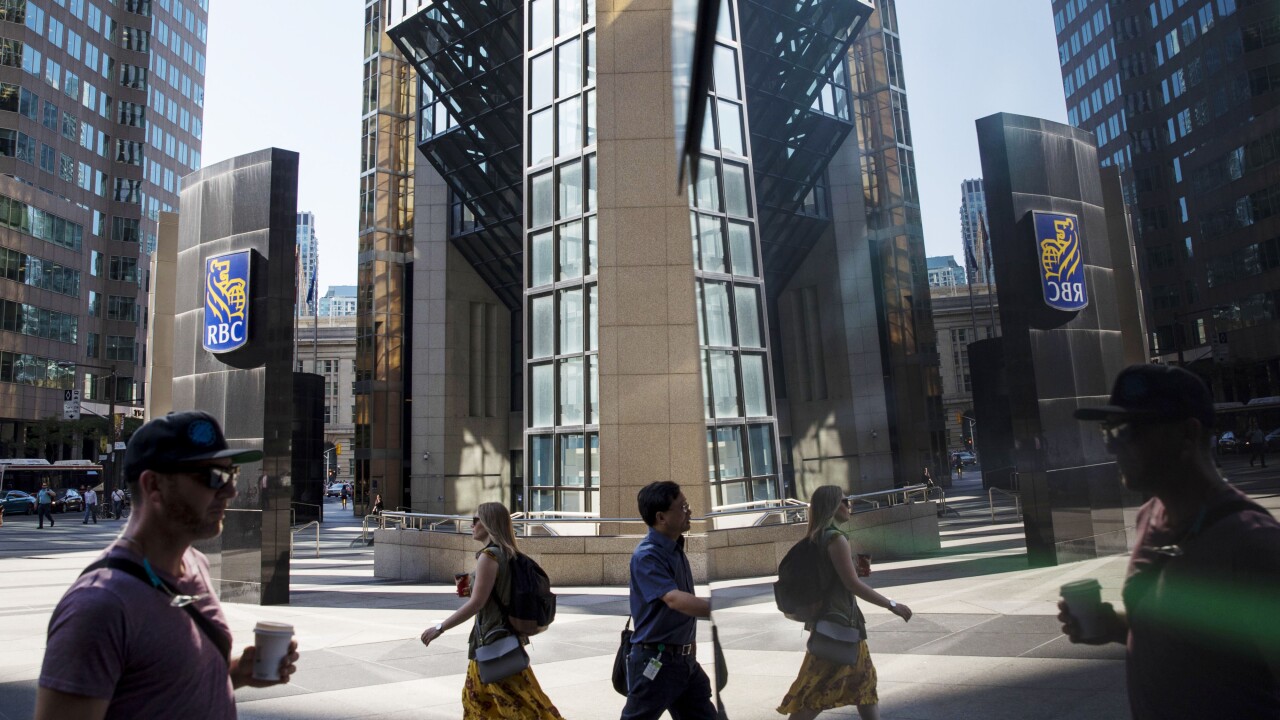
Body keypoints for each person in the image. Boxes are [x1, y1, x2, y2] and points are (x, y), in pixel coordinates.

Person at [36, 411, 300, 720]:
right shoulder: (99, 607)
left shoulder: (195, 564)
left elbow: (164, 694)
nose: (230, 491)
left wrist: (236, 672)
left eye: (233, 475)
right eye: (214, 477)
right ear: (154, 486)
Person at [1064, 364, 1280, 719]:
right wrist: (1115, 626)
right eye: (1109, 432)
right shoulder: (1149, 516)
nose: (1114, 447)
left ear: (1187, 434)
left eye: (1128, 431)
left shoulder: (1252, 544)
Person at [777, 485, 912, 720]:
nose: (850, 505)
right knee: (816, 691)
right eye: (845, 501)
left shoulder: (817, 538)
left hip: (836, 623)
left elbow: (834, 578)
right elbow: (853, 586)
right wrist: (892, 605)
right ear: (832, 506)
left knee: (863, 685)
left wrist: (852, 572)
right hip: (839, 626)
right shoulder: (836, 539)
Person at [418, 502, 562, 719]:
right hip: (499, 640)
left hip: (493, 644)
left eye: (476, 520)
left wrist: (440, 627)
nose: (472, 524)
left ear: (488, 524)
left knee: (516, 706)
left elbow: (477, 603)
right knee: (498, 701)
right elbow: (496, 594)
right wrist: (473, 587)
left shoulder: (490, 556)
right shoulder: (507, 553)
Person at [621, 481, 714, 720]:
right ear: (661, 517)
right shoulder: (647, 554)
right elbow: (673, 599)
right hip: (657, 662)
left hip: (684, 662)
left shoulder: (674, 547)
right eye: (682, 507)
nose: (689, 511)